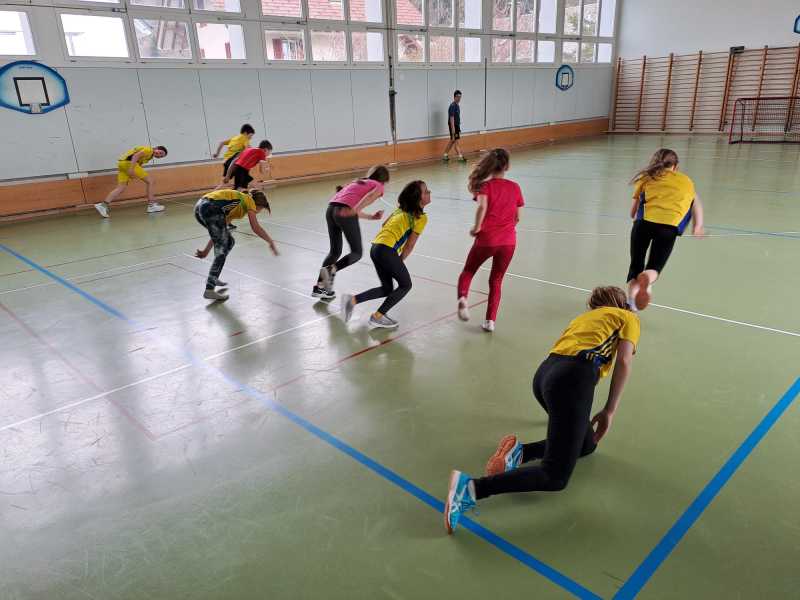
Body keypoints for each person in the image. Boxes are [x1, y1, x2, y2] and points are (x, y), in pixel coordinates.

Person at [444, 286, 640, 534]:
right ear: (621, 304)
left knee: (586, 443)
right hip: (572, 380)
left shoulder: (584, 318)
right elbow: (624, 361)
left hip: (544, 377)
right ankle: (470, 488)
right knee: (555, 476)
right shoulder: (627, 317)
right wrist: (609, 411)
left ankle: (520, 453)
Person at [340, 180, 430, 329]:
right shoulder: (421, 218)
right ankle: (377, 316)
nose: (429, 193)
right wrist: (399, 261)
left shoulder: (400, 210)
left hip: (376, 248)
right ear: (418, 199)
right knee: (406, 285)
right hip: (387, 250)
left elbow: (384, 224)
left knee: (387, 288)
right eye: (426, 191)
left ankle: (352, 301)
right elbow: (409, 245)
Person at [626, 148, 705, 310]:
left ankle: (631, 307)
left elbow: (632, 212)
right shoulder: (686, 181)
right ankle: (647, 278)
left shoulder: (646, 178)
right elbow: (696, 204)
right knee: (654, 267)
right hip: (668, 228)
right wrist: (697, 226)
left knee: (635, 267)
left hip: (643, 225)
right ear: (675, 166)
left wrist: (637, 216)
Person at [456, 148, 524, 332]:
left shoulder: (485, 187)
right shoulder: (515, 187)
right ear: (507, 166)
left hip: (487, 239)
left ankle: (463, 298)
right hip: (508, 242)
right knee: (496, 280)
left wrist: (477, 228)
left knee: (468, 271)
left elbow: (482, 207)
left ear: (490, 166)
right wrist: (508, 228)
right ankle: (490, 321)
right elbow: (518, 217)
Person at [313, 166, 389, 300]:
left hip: (331, 209)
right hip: (344, 211)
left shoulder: (358, 181)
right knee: (357, 253)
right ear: (384, 180)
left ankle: (321, 288)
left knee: (334, 252)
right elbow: (368, 198)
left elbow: (347, 206)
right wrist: (355, 209)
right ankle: (330, 271)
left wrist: (371, 217)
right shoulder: (379, 185)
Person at [194, 188, 278, 301]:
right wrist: (270, 241)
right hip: (210, 207)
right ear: (258, 204)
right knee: (224, 245)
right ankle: (209, 289)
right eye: (260, 209)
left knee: (228, 242)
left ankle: (213, 277)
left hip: (200, 207)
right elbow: (255, 227)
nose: (257, 212)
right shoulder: (249, 201)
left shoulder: (236, 207)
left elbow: (219, 231)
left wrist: (206, 251)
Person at [95, 145, 168, 217]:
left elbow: (138, 162)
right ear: (156, 148)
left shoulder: (149, 156)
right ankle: (152, 205)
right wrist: (131, 169)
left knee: (121, 187)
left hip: (122, 164)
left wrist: (133, 172)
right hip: (128, 164)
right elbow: (136, 156)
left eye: (161, 156)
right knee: (151, 181)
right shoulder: (149, 150)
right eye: (160, 152)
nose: (159, 155)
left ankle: (103, 205)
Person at [443, 90, 465, 162]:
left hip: (456, 126)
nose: (459, 98)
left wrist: (458, 128)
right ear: (454, 97)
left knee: (452, 140)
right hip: (453, 126)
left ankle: (445, 155)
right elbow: (451, 118)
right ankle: (460, 156)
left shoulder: (457, 106)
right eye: (458, 97)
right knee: (456, 141)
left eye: (460, 97)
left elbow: (457, 118)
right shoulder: (452, 106)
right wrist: (453, 129)